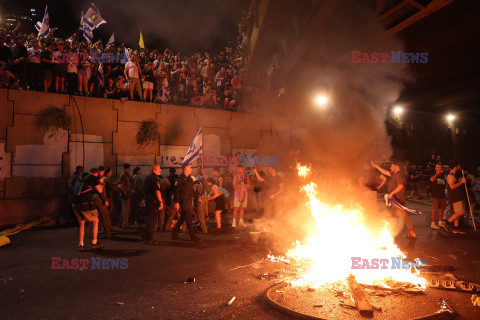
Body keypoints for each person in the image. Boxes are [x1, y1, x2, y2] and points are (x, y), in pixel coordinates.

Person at [372, 160, 417, 239]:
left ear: (397, 167)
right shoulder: (394, 175)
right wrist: (376, 166)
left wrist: (391, 193)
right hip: (396, 200)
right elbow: (386, 172)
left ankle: (410, 233)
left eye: (392, 166)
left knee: (403, 216)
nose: (390, 167)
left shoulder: (398, 175)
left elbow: (400, 186)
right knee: (393, 216)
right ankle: (391, 233)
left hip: (398, 200)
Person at [72, 167, 107, 252]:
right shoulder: (93, 178)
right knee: (95, 221)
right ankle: (94, 243)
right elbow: (100, 190)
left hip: (76, 204)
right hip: (86, 204)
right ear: (96, 173)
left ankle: (81, 245)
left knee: (81, 223)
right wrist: (101, 182)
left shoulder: (81, 176)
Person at [172, 163, 202, 243]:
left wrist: (197, 198)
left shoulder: (189, 178)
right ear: (185, 169)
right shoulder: (181, 179)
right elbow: (176, 191)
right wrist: (177, 202)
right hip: (184, 201)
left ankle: (174, 234)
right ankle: (194, 238)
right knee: (188, 220)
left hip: (188, 201)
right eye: (190, 168)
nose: (191, 169)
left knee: (182, 219)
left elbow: (192, 190)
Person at [442, 161, 467, 234]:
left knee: (457, 213)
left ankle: (456, 228)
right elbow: (452, 187)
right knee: (461, 212)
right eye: (458, 166)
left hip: (456, 196)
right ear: (455, 166)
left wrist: (460, 181)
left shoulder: (453, 175)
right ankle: (447, 222)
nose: (459, 167)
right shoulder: (450, 176)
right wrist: (461, 182)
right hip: (455, 197)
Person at [142, 164, 164, 245]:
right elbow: (157, 191)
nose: (160, 170)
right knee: (152, 221)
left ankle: (145, 234)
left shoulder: (148, 177)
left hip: (148, 201)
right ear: (155, 169)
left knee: (149, 219)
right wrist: (161, 202)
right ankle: (150, 239)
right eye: (159, 169)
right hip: (153, 202)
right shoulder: (155, 178)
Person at [429, 164, 447, 230]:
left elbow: (445, 184)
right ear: (435, 168)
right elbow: (432, 179)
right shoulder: (433, 174)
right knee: (435, 209)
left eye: (441, 167)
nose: (440, 168)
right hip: (435, 195)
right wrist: (437, 174)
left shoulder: (443, 175)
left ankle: (440, 222)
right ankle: (433, 223)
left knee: (442, 209)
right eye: (438, 167)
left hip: (442, 195)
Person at [119, 163, 132, 229]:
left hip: (126, 193)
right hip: (125, 194)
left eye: (128, 168)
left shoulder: (127, 175)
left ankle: (121, 223)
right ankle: (124, 225)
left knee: (124, 210)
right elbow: (121, 185)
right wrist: (124, 192)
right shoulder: (123, 175)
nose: (128, 170)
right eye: (126, 168)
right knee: (126, 210)